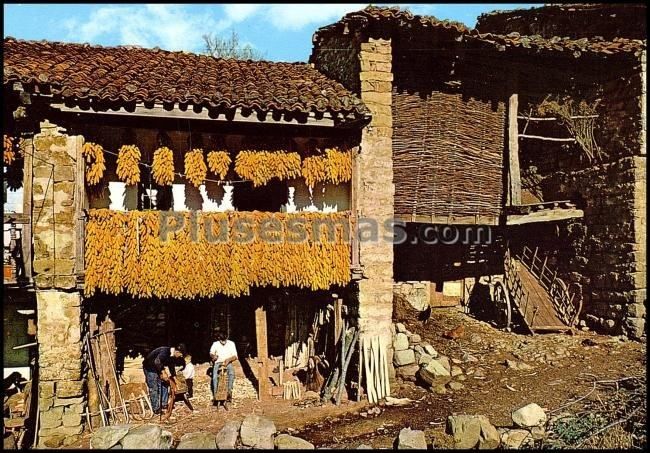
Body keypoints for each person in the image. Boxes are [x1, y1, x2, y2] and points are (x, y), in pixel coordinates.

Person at [142, 343, 186, 415]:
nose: (181, 356)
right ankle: (156, 409)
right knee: (154, 387)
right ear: (177, 351)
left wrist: (175, 378)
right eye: (181, 354)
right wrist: (163, 372)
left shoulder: (172, 356)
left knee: (165, 384)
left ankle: (164, 404)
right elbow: (157, 361)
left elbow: (171, 367)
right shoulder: (165, 351)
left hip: (158, 368)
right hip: (150, 368)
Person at [209, 332, 238, 409]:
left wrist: (228, 360)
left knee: (231, 374)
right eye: (222, 341)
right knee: (215, 377)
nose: (224, 342)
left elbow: (235, 356)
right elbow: (211, 353)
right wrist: (213, 356)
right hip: (218, 362)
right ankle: (216, 395)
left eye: (225, 340)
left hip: (227, 362)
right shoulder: (215, 344)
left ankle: (229, 393)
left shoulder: (231, 343)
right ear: (219, 339)